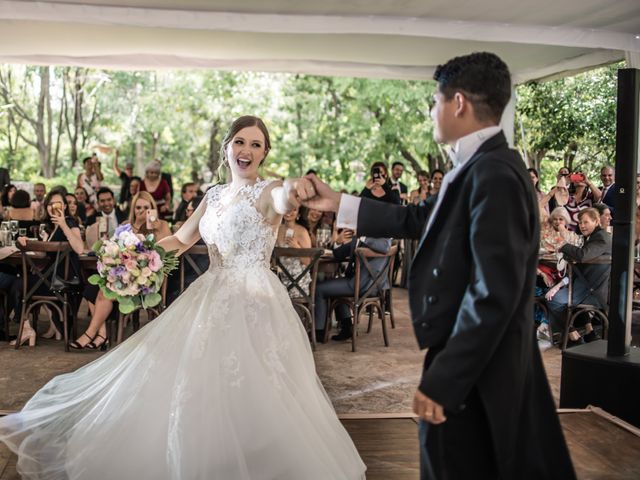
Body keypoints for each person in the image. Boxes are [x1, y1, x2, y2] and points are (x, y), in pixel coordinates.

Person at [0, 115, 365, 480]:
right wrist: (136, 255)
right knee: (195, 385)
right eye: (240, 141)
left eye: (256, 144)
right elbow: (181, 239)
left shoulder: (268, 191)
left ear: (265, 152)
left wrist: (296, 190)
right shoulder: (213, 196)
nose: (246, 150)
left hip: (254, 301)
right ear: (226, 148)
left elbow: (284, 199)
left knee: (256, 387)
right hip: (211, 292)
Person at [303, 52, 575, 479]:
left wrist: (445, 378)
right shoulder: (475, 166)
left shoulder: (496, 174)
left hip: (480, 365)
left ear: (459, 103)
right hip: (471, 355)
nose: (432, 110)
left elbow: (493, 293)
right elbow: (416, 218)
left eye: (436, 101)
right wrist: (338, 202)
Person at [71, 191, 172, 350]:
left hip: (147, 280)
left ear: (152, 208)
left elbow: (166, 254)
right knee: (92, 288)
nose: (142, 211)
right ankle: (101, 335)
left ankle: (92, 334)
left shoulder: (162, 225)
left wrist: (154, 229)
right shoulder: (126, 225)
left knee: (103, 291)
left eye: (146, 207)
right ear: (133, 209)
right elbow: (116, 250)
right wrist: (135, 228)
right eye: (138, 207)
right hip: (125, 274)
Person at [10, 189, 85, 345]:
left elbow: (79, 248)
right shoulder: (52, 227)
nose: (53, 206)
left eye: (57, 203)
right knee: (23, 281)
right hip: (52, 280)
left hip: (63, 281)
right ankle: (52, 326)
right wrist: (26, 242)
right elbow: (44, 256)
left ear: (64, 206)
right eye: (50, 204)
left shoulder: (70, 222)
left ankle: (26, 329)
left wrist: (64, 224)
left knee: (18, 284)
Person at [544, 208, 611, 346]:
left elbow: (582, 255)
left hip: (592, 290)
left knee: (553, 301)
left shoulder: (601, 237)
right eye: (580, 222)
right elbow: (579, 263)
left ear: (596, 221)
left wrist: (562, 244)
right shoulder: (594, 237)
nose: (582, 225)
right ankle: (587, 333)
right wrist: (560, 285)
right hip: (585, 285)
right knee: (555, 293)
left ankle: (572, 335)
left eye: (586, 222)